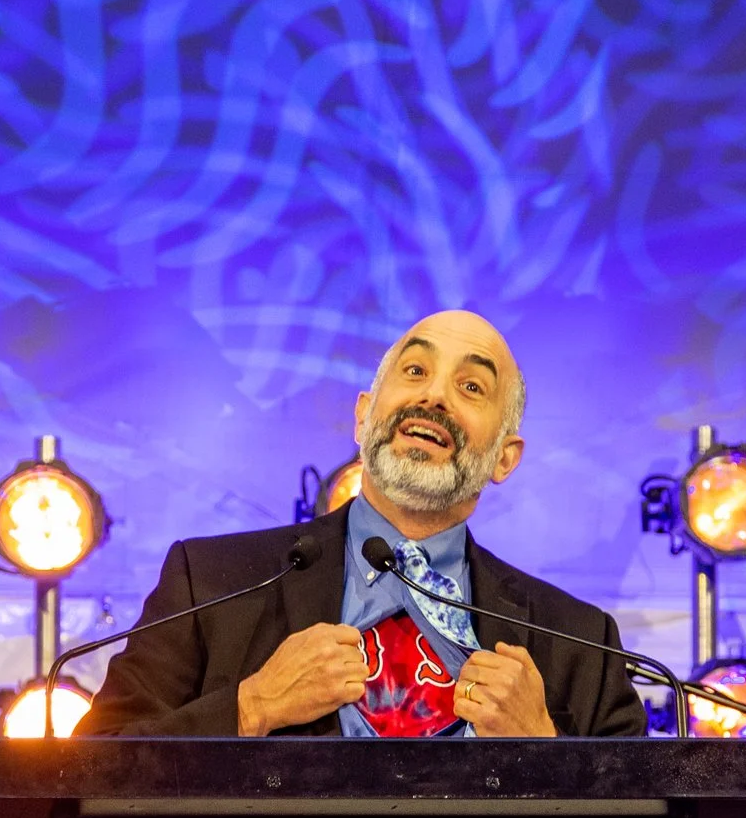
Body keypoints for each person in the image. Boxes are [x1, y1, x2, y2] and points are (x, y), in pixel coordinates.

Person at [84, 309, 647, 739]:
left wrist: (544, 750)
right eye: (415, 371)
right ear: (363, 416)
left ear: (505, 457)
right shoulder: (209, 583)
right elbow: (91, 767)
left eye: (471, 387)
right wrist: (252, 706)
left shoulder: (581, 644)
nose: (434, 396)